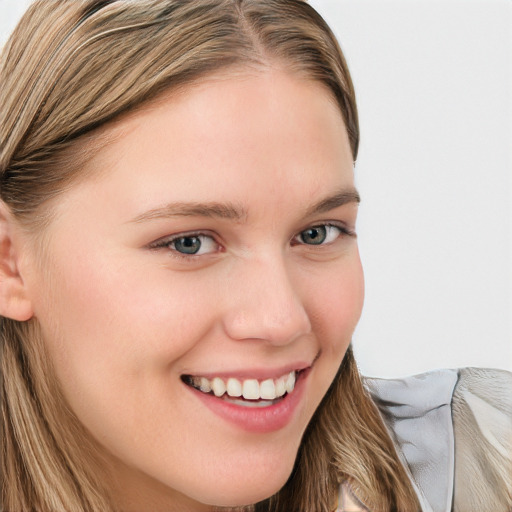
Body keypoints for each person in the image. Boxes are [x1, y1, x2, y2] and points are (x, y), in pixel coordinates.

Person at [0, 1, 510, 512]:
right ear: (10, 262)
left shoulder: (483, 465)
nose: (281, 320)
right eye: (189, 243)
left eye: (316, 233)